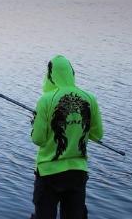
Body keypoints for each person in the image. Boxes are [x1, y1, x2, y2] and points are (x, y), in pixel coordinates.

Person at [30, 55, 103, 219]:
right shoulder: (90, 98)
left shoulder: (46, 100)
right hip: (77, 173)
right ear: (71, 73)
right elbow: (97, 135)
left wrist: (36, 123)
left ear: (50, 75)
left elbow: (38, 139)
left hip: (48, 172)